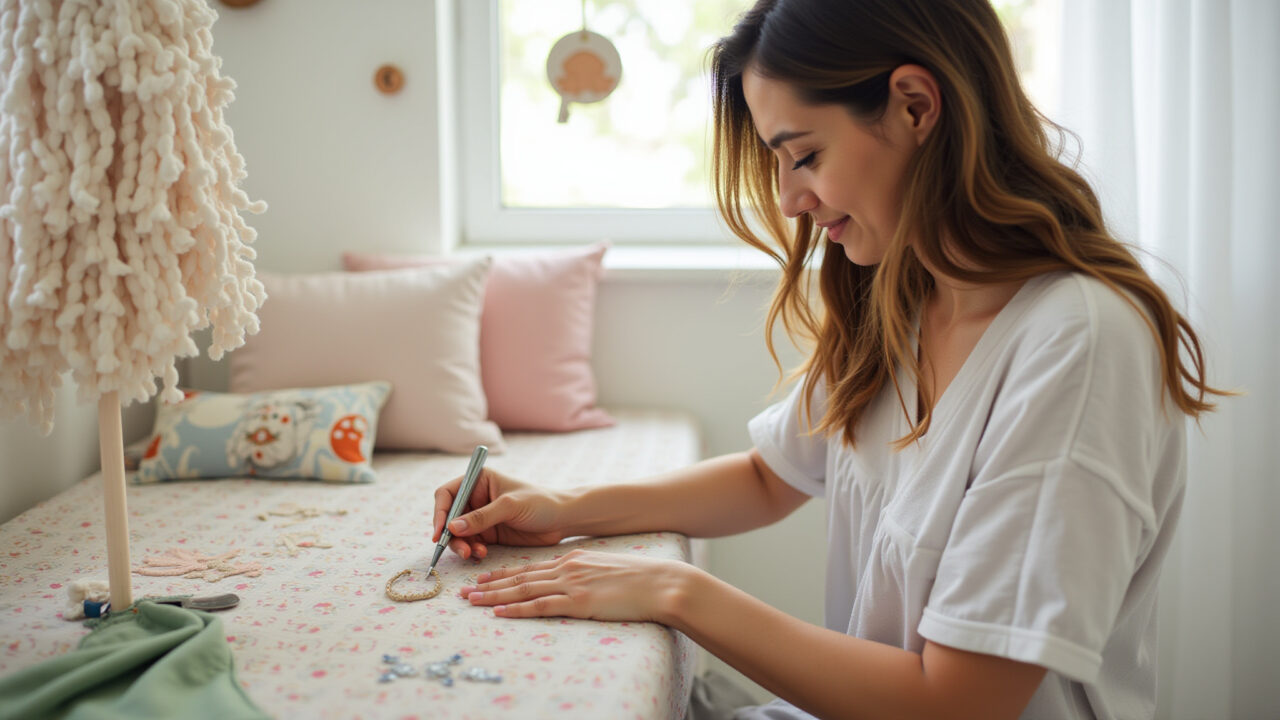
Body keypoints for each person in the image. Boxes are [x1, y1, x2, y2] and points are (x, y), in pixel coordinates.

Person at [432, 1, 1228, 717]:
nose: (786, 200)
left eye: (803, 155)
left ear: (916, 106)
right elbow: (769, 476)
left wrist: (676, 591)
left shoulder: (1079, 345)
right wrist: (560, 509)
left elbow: (960, 702)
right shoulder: (905, 297)